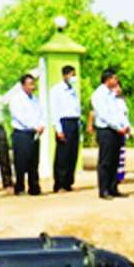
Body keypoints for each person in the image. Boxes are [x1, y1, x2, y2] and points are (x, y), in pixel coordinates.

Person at [89, 69, 132, 199]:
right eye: (114, 78)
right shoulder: (99, 94)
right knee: (105, 161)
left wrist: (125, 126)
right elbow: (104, 115)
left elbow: (118, 112)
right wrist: (117, 127)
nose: (116, 81)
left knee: (115, 160)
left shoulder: (112, 94)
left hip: (117, 130)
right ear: (108, 80)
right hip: (106, 130)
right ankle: (104, 190)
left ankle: (113, 187)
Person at [5, 73, 46, 196]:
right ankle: (20, 187)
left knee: (34, 161)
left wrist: (41, 125)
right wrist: (34, 125)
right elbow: (20, 117)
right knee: (21, 162)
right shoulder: (16, 100)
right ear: (23, 85)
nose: (33, 87)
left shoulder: (36, 99)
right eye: (30, 84)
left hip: (34, 133)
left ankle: (34, 187)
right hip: (22, 134)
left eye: (33, 84)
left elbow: (41, 114)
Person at [50, 63, 81, 191]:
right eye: (72, 75)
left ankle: (68, 182)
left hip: (74, 122)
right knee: (63, 154)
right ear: (65, 75)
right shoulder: (57, 90)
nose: (73, 77)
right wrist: (58, 129)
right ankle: (60, 183)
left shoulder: (73, 90)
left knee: (73, 153)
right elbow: (54, 110)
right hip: (64, 123)